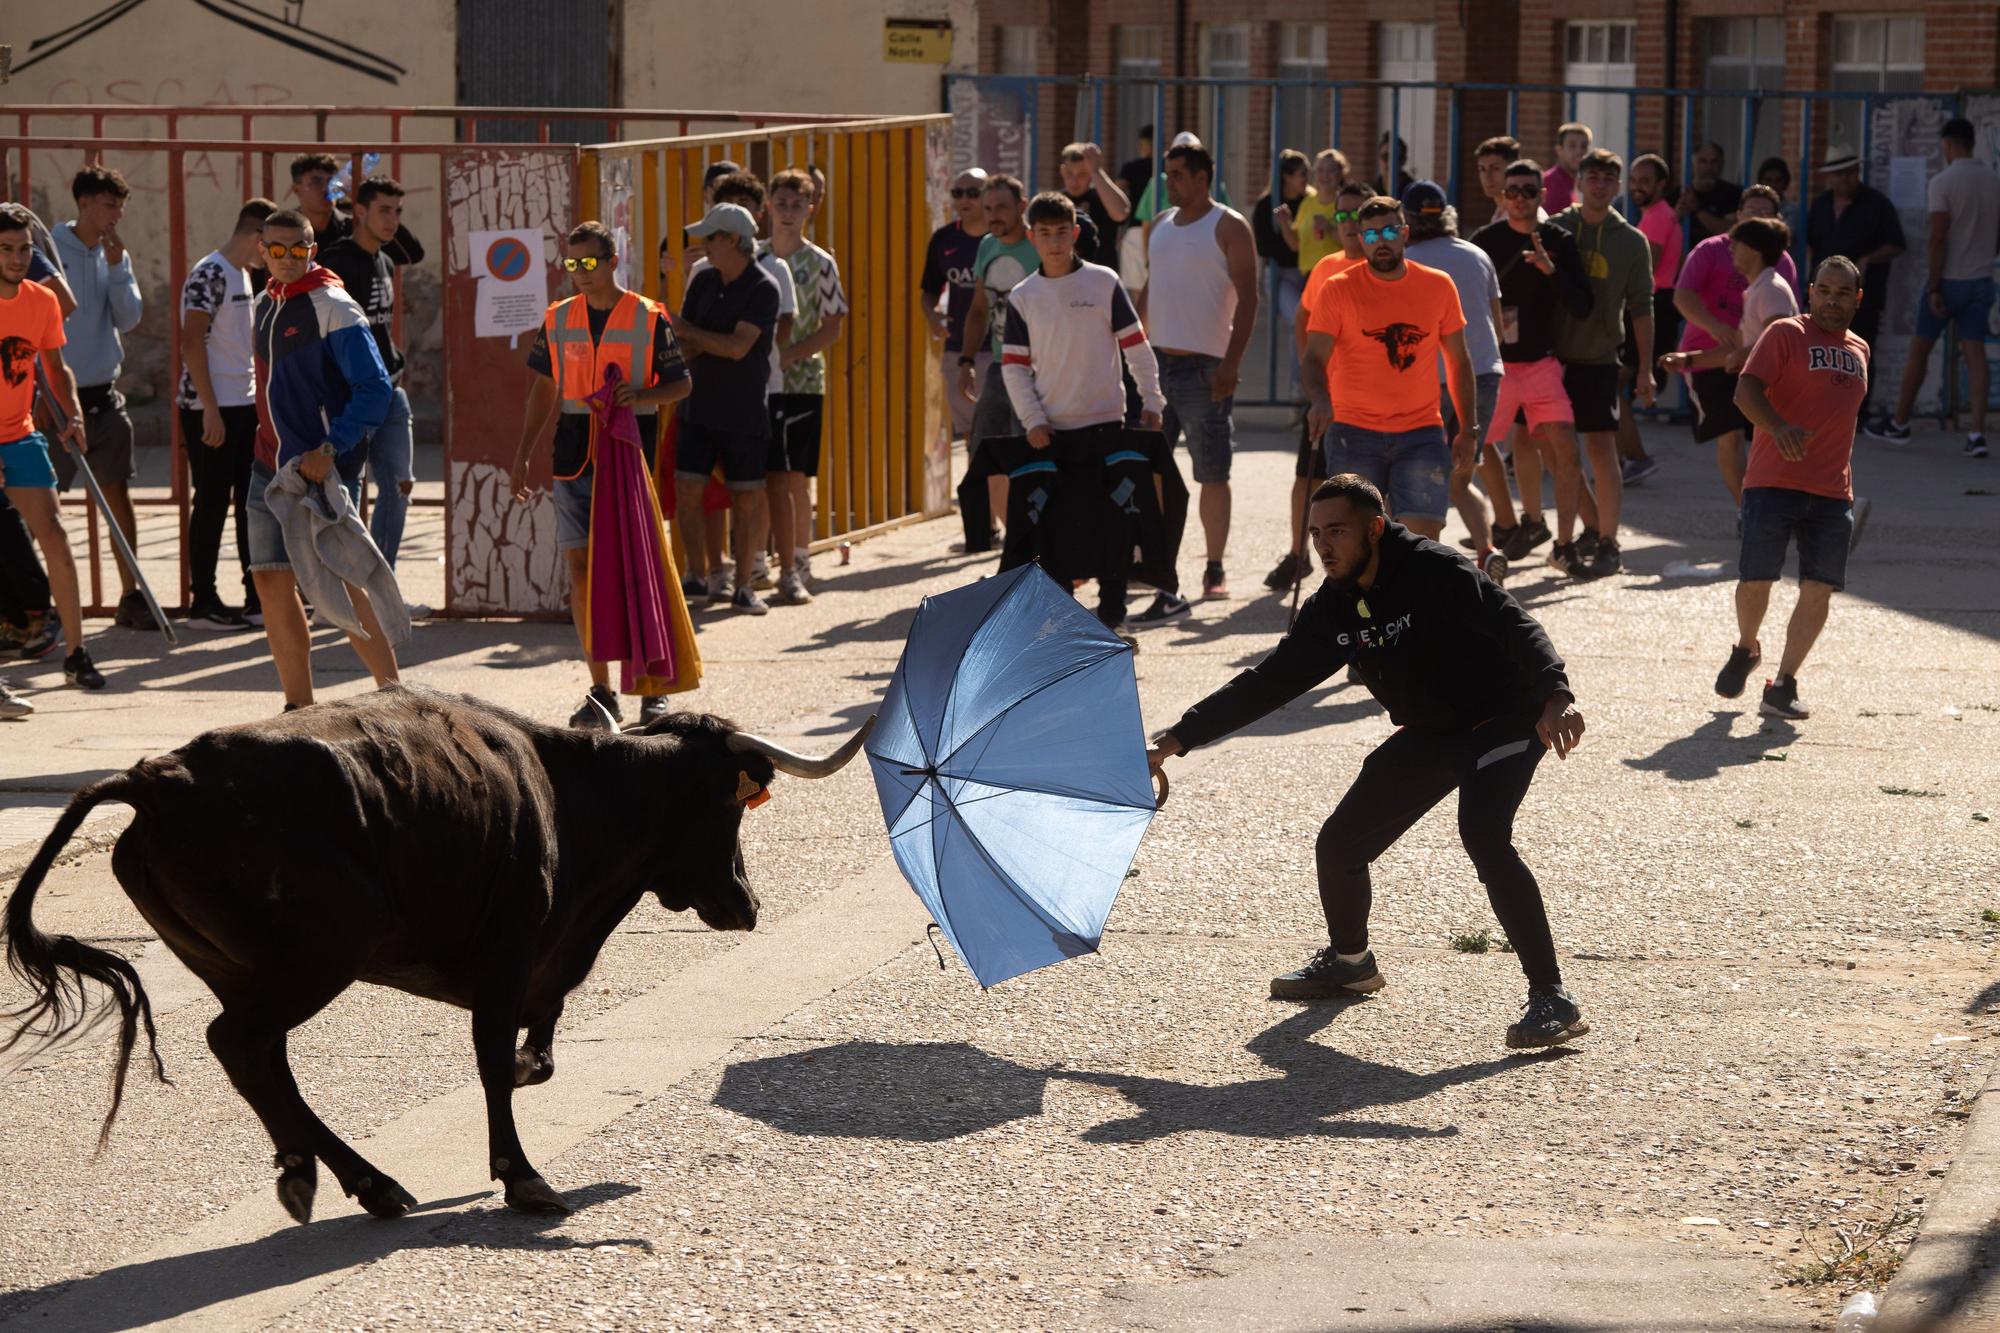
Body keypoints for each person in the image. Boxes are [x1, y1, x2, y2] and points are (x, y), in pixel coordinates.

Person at [1145, 472, 1590, 1049]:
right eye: (1314, 534)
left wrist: (1556, 695)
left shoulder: (1436, 570)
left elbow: (1515, 623)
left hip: (1507, 717)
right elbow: (1269, 683)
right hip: (1434, 729)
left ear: (1375, 528)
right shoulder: (1333, 605)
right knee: (1341, 843)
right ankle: (1350, 962)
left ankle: (1552, 996)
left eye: (1337, 531)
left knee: (1483, 833)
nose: (1324, 546)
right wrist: (1174, 740)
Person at [510, 220, 692, 727]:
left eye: (590, 263)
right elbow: (544, 389)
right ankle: (601, 690)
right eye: (572, 264)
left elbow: (680, 384)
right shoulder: (559, 317)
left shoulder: (647, 315)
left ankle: (654, 689)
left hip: (631, 457)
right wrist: (523, 452)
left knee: (640, 569)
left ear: (613, 262)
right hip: (572, 456)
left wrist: (644, 396)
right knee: (581, 571)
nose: (581, 273)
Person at [246, 209, 399, 711]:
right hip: (270, 468)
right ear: (261, 249)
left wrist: (329, 450)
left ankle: (395, 699)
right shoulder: (264, 302)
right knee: (270, 579)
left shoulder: (334, 305)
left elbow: (376, 390)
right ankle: (298, 709)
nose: (287, 258)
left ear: (312, 249)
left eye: (298, 249)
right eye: (277, 249)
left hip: (320, 471)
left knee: (346, 581)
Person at [998, 191, 1165, 630]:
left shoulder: (1103, 282)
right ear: (1031, 237)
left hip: (1107, 423)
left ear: (1074, 233)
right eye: (1044, 233)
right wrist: (1032, 420)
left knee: (1113, 526)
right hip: (1051, 432)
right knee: (1055, 534)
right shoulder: (1023, 296)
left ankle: (1113, 621)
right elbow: (1013, 367)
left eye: (1061, 232)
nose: (1054, 242)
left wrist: (1152, 400)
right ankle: (1069, 627)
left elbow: (1136, 347)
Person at [1714, 257, 1870, 722]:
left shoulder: (1861, 347)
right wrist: (1777, 427)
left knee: (1819, 588)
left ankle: (1782, 685)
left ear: (1857, 299)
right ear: (1811, 293)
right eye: (1824, 290)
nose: (1832, 300)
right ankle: (1746, 647)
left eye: (1843, 293)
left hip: (1831, 489)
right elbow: (1745, 392)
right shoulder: (1785, 333)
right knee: (1756, 579)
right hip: (1772, 481)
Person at [1305, 195, 1479, 544]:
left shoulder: (1438, 285)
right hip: (1353, 431)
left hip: (1421, 430)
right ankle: (1365, 601)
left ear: (1405, 233)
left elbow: (1459, 360)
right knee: (1356, 539)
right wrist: (1320, 399)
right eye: (1369, 235)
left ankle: (1411, 601)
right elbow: (1313, 357)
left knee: (1423, 540)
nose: (1379, 242)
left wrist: (1468, 428)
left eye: (1388, 231)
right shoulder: (1338, 288)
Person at [1133, 139, 1259, 619]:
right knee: (1152, 473)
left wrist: (1231, 364)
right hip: (1157, 366)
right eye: (1167, 174)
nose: (1169, 183)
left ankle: (1214, 567)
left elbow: (1250, 299)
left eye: (1178, 174)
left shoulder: (1229, 226)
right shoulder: (1162, 224)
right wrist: (1133, 339)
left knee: (1211, 471)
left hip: (1207, 367)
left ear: (1203, 176)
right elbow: (1152, 283)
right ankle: (1160, 568)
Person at [0, 204, 106, 691]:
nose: (18, 258)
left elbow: (55, 365)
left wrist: (73, 413)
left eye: (24, 249)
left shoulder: (41, 300)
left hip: (19, 433)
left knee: (57, 536)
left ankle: (77, 653)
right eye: (7, 249)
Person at [1471, 160, 1592, 570]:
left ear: (1542, 195)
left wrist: (1551, 270)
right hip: (1497, 366)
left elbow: (1582, 306)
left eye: (1528, 191)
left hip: (1543, 365)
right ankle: (1506, 524)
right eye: (1512, 192)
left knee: (1567, 455)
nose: (1519, 198)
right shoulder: (1485, 241)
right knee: (1476, 444)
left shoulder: (1558, 239)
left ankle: (1563, 544)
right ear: (1502, 197)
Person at [672, 205, 782, 616]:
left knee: (747, 496)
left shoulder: (763, 287)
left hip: (743, 409)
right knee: (687, 489)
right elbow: (689, 346)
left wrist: (690, 332)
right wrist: (701, 338)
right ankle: (697, 578)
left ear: (734, 241)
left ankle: (744, 586)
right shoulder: (702, 278)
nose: (704, 246)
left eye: (711, 237)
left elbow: (737, 349)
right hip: (696, 405)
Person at [1550, 148, 1655, 578]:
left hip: (1598, 358)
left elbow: (1642, 307)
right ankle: (1585, 530)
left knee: (1600, 448)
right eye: (1592, 176)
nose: (1599, 184)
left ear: (1618, 187)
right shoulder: (1555, 228)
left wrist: (1645, 367)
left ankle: (1609, 541)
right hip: (1550, 360)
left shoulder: (1631, 241)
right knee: (1556, 454)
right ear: (1579, 181)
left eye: (1608, 178)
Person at [52, 165, 147, 629]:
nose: (116, 215)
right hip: (53, 398)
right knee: (42, 502)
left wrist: (116, 268)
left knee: (117, 497)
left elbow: (129, 318)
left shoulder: (115, 255)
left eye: (120, 207)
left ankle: (131, 596)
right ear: (85, 203)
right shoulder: (49, 249)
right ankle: (33, 604)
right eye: (109, 205)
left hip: (103, 395)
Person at [696, 171, 799, 597]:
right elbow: (690, 330)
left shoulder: (774, 269)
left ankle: (777, 568)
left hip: (766, 389)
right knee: (709, 486)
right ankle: (714, 571)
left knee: (767, 482)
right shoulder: (702, 271)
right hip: (710, 394)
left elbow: (782, 326)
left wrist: (753, 350)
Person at [1266, 181, 1372, 592]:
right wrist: (1310, 368)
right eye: (1342, 215)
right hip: (1327, 397)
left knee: (1365, 487)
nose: (1348, 224)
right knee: (1307, 478)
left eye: (1356, 215)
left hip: (1367, 401)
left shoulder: (1385, 269)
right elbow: (1302, 318)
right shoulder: (1327, 268)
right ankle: (1299, 555)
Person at [1873, 117, 2000, 458]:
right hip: (1981, 280)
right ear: (1971, 142)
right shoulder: (1993, 181)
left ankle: (1900, 423)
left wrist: (1934, 286)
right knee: (1975, 356)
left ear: (1948, 144)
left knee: (1920, 350)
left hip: (1948, 282)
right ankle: (1976, 433)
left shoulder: (1942, 182)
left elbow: (1938, 236)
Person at [317, 177, 421, 593]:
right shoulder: (337, 262)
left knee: (399, 487)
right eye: (384, 210)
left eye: (399, 211)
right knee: (344, 493)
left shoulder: (383, 256)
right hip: (354, 397)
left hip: (391, 391)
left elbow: (415, 252)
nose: (394, 220)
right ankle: (344, 592)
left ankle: (382, 591)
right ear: (358, 212)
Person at [177, 196, 275, 632]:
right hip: (210, 407)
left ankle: (256, 599)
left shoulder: (244, 274)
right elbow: (191, 340)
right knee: (212, 502)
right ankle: (204, 603)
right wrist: (210, 410)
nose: (274, 254)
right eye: (271, 244)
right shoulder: (210, 273)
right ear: (256, 237)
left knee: (249, 505)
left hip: (243, 404)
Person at [1402, 182, 1507, 582]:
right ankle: (1487, 550)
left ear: (1407, 222)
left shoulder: (1407, 262)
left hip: (1435, 378)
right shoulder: (1478, 255)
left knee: (1419, 477)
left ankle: (1426, 563)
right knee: (1461, 477)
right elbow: (1497, 326)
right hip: (1484, 373)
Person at [1672, 184, 1801, 508]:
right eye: (1750, 213)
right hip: (1726, 363)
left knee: (1775, 441)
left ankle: (1809, 513)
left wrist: (1745, 354)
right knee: (1733, 437)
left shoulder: (1771, 284)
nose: (1732, 251)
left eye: (1764, 214)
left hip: (1761, 368)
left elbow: (1779, 337)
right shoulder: (1716, 255)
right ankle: (1751, 512)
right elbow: (1683, 297)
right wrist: (1691, 358)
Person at [768, 168, 848, 601]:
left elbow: (833, 325)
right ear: (767, 205)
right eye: (780, 203)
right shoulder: (758, 257)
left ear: (810, 210)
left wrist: (791, 354)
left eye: (796, 205)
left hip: (802, 381)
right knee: (763, 474)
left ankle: (799, 559)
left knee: (796, 475)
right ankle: (763, 559)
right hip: (761, 384)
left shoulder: (820, 262)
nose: (787, 212)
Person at [958, 175, 1040, 538]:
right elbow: (979, 309)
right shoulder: (988, 246)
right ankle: (1018, 541)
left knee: (1034, 457)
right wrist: (965, 361)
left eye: (1001, 207)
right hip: (999, 364)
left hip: (1040, 370)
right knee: (985, 454)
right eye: (987, 207)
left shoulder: (1041, 246)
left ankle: (1042, 541)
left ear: (1022, 207)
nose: (993, 215)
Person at [1806, 144, 1903, 428]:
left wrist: (1868, 259)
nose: (1844, 179)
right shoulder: (1821, 204)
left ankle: (1856, 416)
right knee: (1817, 352)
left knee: (1859, 352)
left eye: (1849, 172)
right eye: (1838, 174)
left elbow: (1896, 244)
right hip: (1823, 296)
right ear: (1829, 177)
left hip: (1862, 297)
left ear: (1858, 172)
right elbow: (1811, 243)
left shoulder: (1876, 204)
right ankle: (1820, 411)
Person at [1621, 154, 1683, 485]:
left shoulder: (1658, 216)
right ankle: (1626, 458)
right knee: (1617, 390)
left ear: (1661, 185)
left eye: (1645, 181)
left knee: (1614, 387)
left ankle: (1636, 458)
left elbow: (1647, 265)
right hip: (1652, 303)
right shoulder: (1655, 215)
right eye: (1633, 180)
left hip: (1653, 305)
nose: (1637, 187)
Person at [922, 167, 989, 442]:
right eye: (958, 192)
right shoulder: (944, 239)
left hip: (996, 350)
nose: (965, 199)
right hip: (956, 348)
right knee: (970, 433)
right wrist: (932, 316)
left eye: (973, 192)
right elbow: (928, 291)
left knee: (995, 431)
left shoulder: (1003, 239)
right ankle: (979, 484)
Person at [288, 152, 425, 262]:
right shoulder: (285, 227)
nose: (327, 189)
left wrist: (363, 199)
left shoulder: (352, 226)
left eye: (332, 182)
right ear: (296, 190)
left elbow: (411, 254)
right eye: (316, 183)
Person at [1252, 150, 1310, 406]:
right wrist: (1289, 238)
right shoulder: (1267, 205)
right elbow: (1265, 247)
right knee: (1300, 319)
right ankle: (1299, 387)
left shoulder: (1309, 202)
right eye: (1302, 174)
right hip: (1278, 274)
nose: (1306, 179)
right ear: (1286, 177)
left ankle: (1313, 385)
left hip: (1307, 272)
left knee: (1317, 324)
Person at [1058, 142, 1131, 269]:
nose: (1075, 181)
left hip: (1101, 271)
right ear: (1062, 171)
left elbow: (1121, 213)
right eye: (1070, 173)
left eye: (1082, 174)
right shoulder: (1056, 201)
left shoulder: (1102, 197)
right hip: (1065, 273)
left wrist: (1096, 171)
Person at [1286, 150, 1350, 281]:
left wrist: (1329, 228)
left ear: (1341, 173)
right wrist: (1284, 222)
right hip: (1310, 277)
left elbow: (1354, 241)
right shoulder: (1307, 202)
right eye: (1320, 170)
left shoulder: (1346, 203)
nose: (1325, 175)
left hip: (1336, 275)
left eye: (1331, 170)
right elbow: (1295, 244)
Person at [1680, 141, 1742, 246]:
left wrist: (1698, 210)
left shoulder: (1732, 193)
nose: (1709, 167)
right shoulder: (1679, 194)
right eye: (1703, 161)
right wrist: (1676, 214)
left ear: (1722, 163)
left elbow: (1731, 231)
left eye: (1714, 162)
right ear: (1693, 163)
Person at [1543, 123, 1592, 214]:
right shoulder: (1553, 182)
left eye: (1584, 146)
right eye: (1572, 146)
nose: (1579, 152)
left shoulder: (1572, 182)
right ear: (1559, 150)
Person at [1374, 134, 1416, 199]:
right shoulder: (1372, 192)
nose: (1390, 162)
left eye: (1395, 157)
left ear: (1404, 160)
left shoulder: (1414, 191)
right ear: (1378, 159)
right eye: (1385, 156)